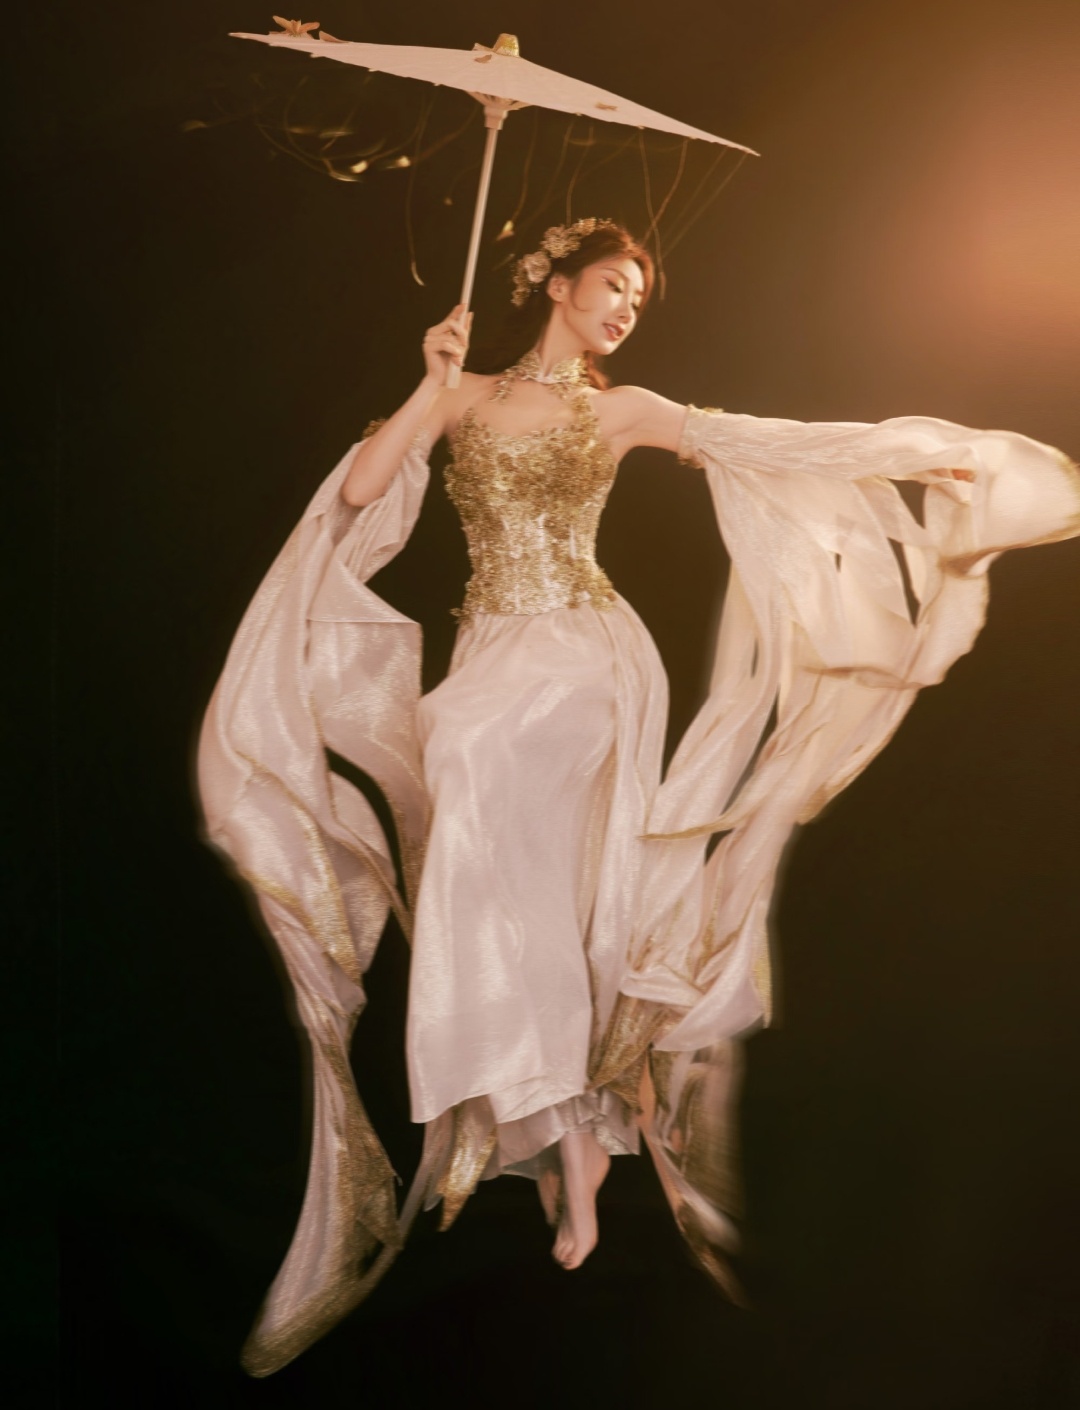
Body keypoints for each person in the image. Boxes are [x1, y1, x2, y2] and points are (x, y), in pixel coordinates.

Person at [197, 218, 1079, 1376]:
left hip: (588, 654)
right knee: (501, 861)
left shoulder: (625, 411)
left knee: (498, 797)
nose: (623, 309)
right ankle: (561, 1126)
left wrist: (916, 461)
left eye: (637, 298)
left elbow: (766, 441)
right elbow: (363, 488)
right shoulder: (463, 397)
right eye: (612, 285)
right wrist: (431, 379)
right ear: (555, 283)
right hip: (491, 646)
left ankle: (575, 1126)